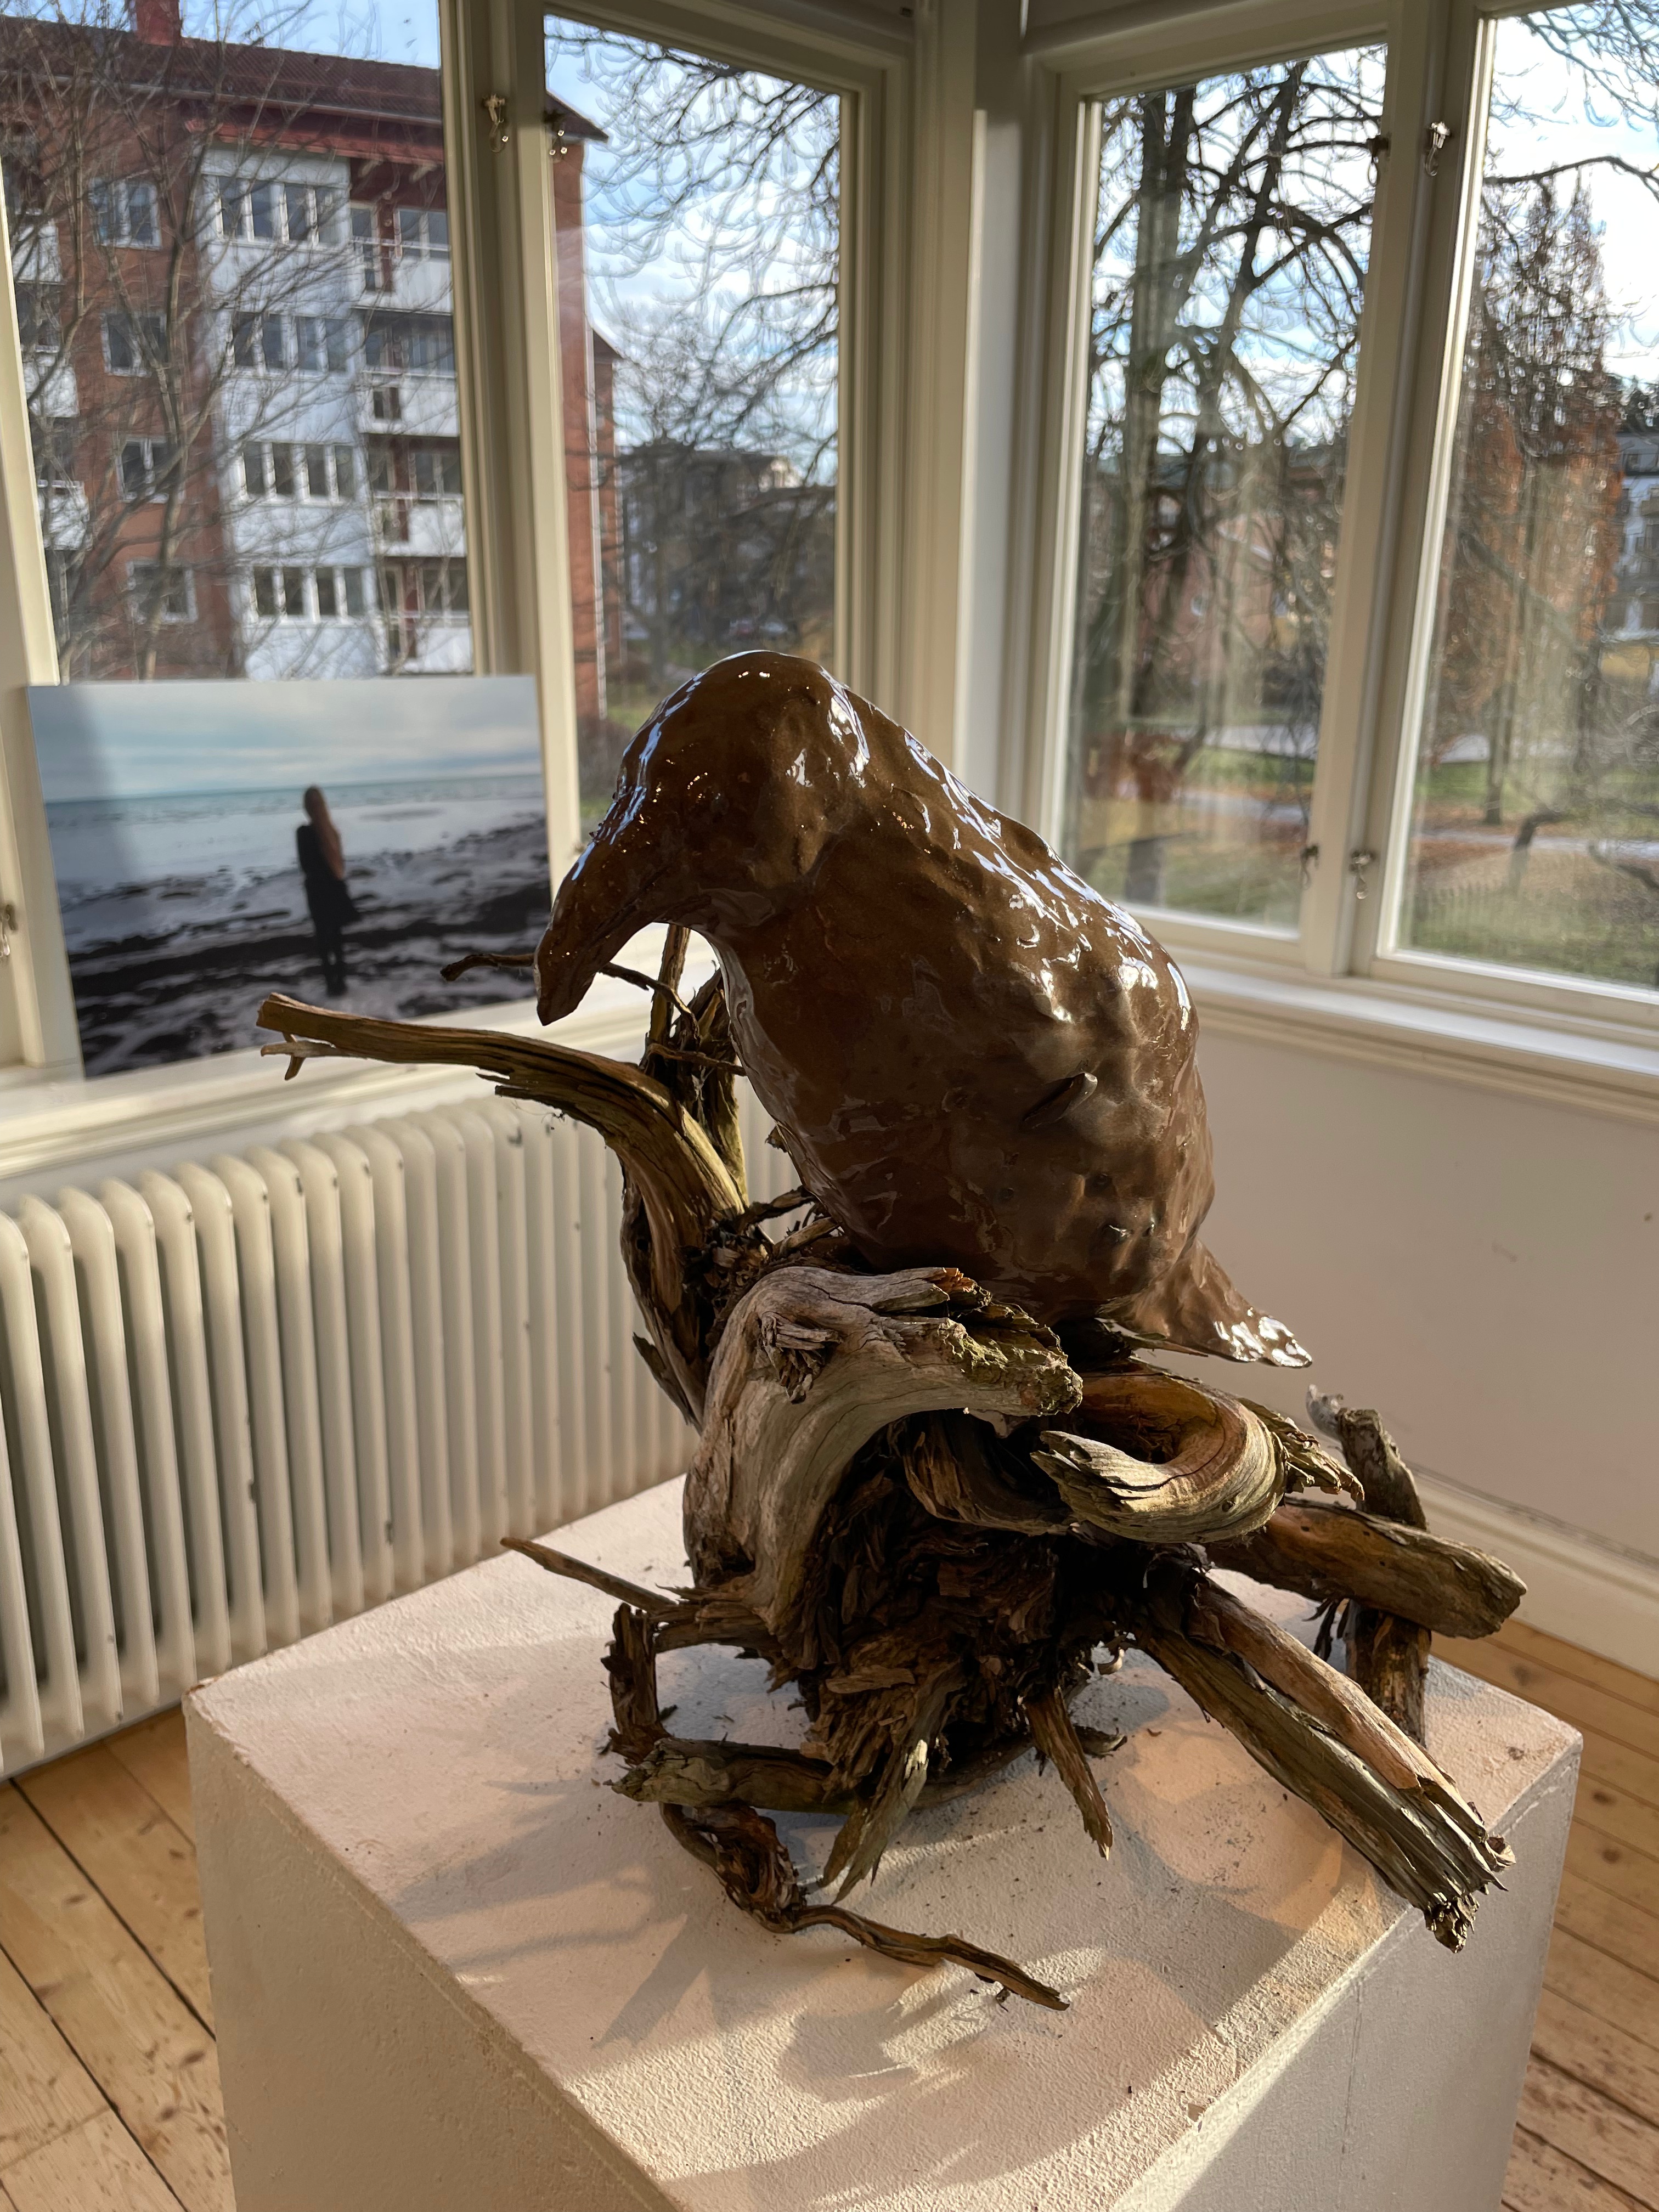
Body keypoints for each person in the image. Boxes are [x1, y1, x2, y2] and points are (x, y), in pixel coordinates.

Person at [296, 786, 358, 996]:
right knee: (336, 938)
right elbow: (340, 867)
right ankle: (341, 982)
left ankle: (332, 983)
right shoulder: (332, 833)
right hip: (333, 889)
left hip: (317, 891)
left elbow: (305, 866)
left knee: (324, 939)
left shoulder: (304, 833)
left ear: (307, 807)